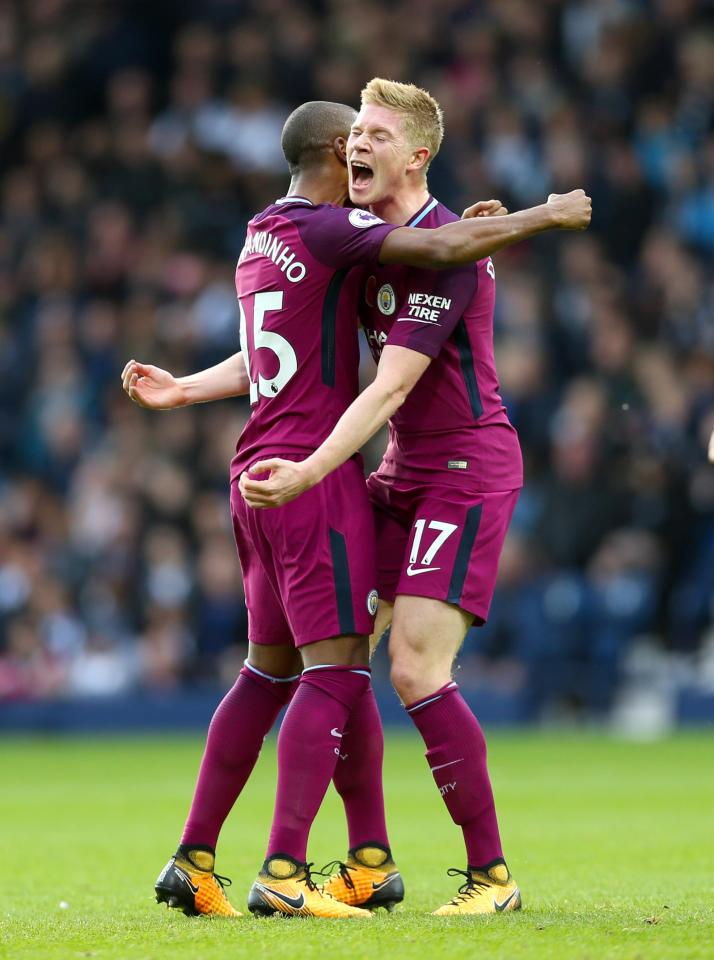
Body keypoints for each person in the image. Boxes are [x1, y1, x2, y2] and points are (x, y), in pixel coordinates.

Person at [125, 99, 590, 919]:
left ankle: (492, 877)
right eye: (358, 135)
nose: (363, 147)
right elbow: (299, 347)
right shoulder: (358, 243)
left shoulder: (415, 249)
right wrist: (191, 388)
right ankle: (369, 861)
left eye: (379, 135)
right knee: (332, 662)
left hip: (463, 469)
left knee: (407, 667)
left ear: (413, 157)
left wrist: (308, 470)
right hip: (394, 468)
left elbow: (391, 384)